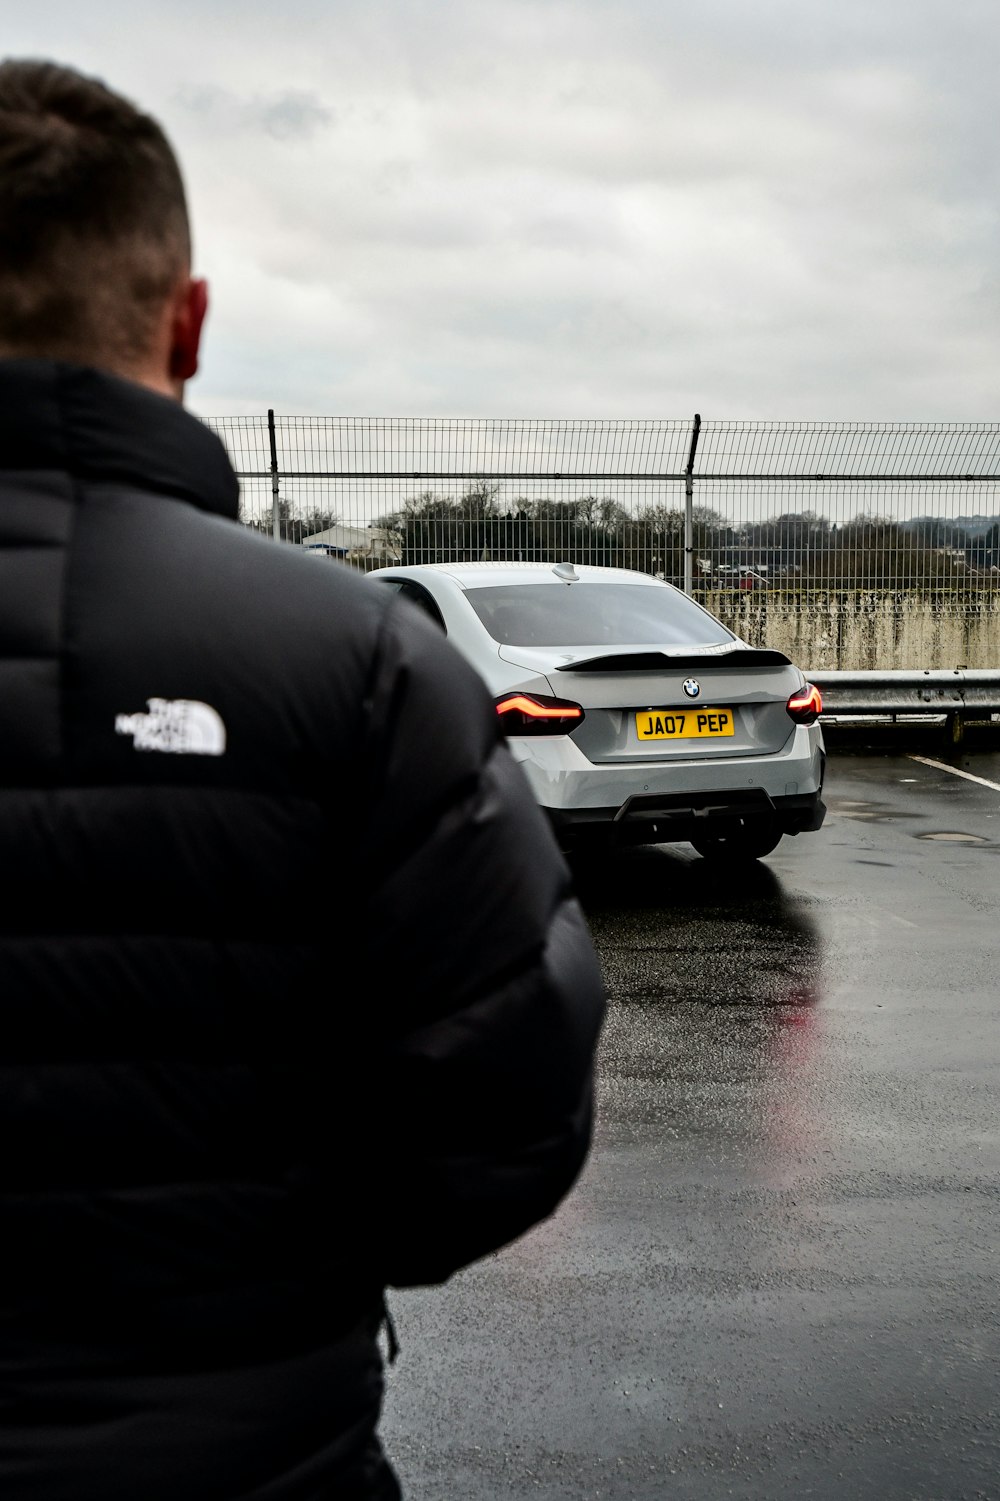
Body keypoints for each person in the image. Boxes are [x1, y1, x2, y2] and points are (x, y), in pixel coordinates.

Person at [0, 59, 606, 1501]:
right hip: (261, 1449)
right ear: (188, 321)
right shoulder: (358, 662)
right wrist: (285, 1246)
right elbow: (512, 1093)